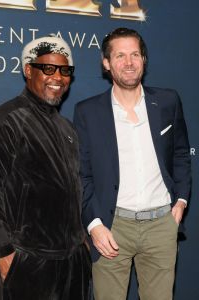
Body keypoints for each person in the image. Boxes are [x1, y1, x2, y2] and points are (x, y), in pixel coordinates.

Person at [73, 27, 191, 300]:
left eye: (135, 54)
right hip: (112, 228)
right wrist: (94, 225)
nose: (129, 63)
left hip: (162, 224)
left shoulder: (167, 101)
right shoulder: (87, 112)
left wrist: (181, 201)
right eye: (120, 56)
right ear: (106, 63)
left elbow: (181, 154)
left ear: (144, 60)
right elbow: (82, 174)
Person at [0, 35, 91, 300]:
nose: (57, 77)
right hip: (31, 263)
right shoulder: (4, 118)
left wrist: (81, 241)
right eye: (48, 68)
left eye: (65, 70)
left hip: (73, 263)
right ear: (29, 70)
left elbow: (72, 187)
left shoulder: (67, 128)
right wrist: (4, 252)